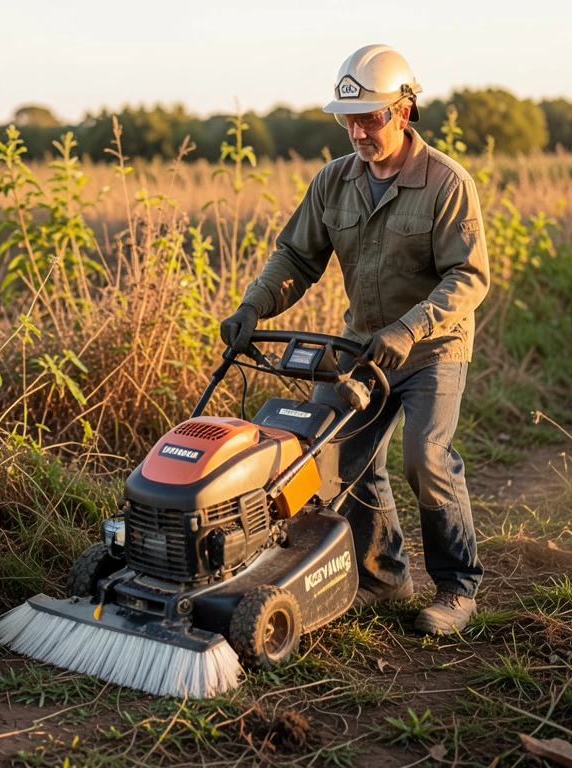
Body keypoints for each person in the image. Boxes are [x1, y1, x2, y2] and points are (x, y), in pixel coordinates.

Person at [219, 44, 490, 635]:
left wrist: (409, 328)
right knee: (336, 457)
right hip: (361, 347)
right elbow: (296, 256)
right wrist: (252, 306)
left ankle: (457, 589)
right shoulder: (333, 182)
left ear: (404, 109)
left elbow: (468, 277)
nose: (358, 131)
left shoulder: (446, 183)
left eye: (370, 117)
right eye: (349, 118)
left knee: (426, 458)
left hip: (433, 348)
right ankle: (385, 577)